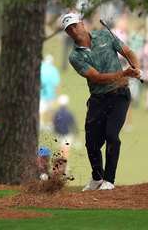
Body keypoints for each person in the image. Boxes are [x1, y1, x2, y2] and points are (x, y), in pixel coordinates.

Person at [60, 12, 141, 191]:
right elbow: (96, 78)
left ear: (82, 24)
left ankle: (109, 180)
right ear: (68, 34)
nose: (74, 30)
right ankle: (97, 177)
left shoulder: (104, 35)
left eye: (75, 25)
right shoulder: (75, 57)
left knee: (112, 135)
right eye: (69, 29)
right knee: (91, 142)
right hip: (98, 99)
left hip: (120, 95)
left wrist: (137, 68)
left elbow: (127, 51)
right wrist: (124, 73)